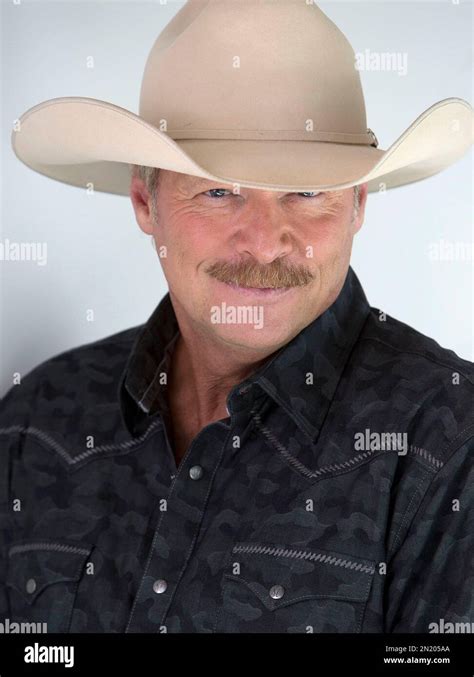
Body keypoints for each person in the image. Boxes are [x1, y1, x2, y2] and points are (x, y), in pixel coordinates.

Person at [1, 0, 472, 634]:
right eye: (219, 190)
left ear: (358, 205)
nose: (264, 242)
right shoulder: (38, 422)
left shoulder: (451, 445)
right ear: (146, 200)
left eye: (306, 193)